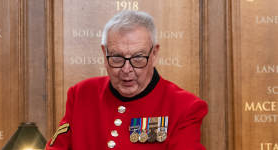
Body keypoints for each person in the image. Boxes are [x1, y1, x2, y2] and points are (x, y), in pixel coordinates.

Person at [46, 10, 208, 150]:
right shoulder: (81, 94)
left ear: (154, 54)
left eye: (138, 58)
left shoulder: (185, 107)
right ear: (104, 53)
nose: (126, 69)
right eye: (117, 57)